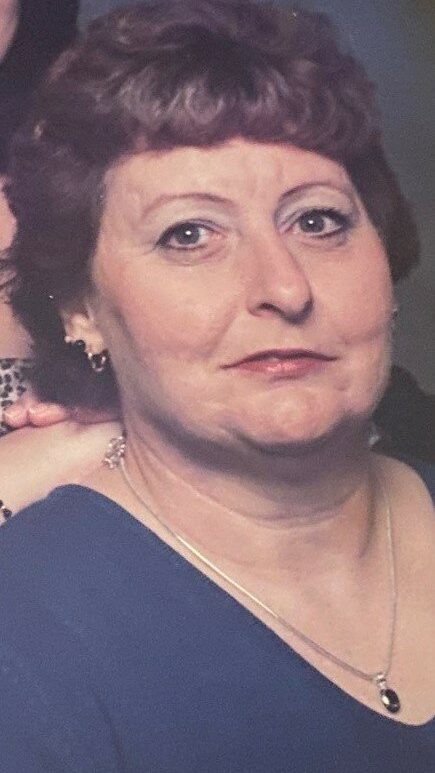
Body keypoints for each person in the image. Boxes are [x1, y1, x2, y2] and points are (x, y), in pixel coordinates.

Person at [0, 1, 434, 770]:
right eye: (188, 234)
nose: (283, 287)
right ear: (81, 312)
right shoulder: (28, 639)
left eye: (318, 221)